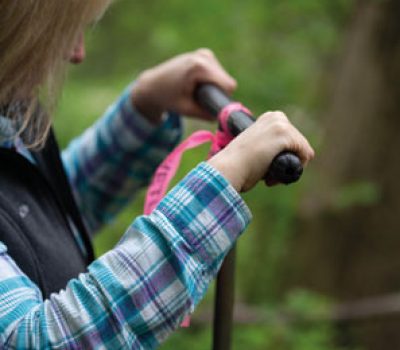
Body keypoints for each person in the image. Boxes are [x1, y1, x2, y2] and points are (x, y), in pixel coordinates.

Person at [0, 1, 314, 349]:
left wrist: (143, 107)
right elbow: (35, 342)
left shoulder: (10, 113)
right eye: (62, 29)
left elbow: (35, 223)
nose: (77, 53)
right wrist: (216, 189)